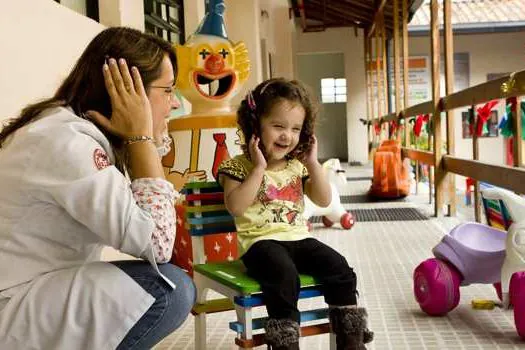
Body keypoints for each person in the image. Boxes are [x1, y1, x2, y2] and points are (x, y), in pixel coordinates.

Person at [0, 27, 195, 349]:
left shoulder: (64, 128)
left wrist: (144, 140)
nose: (174, 104)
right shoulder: (67, 143)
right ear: (128, 93)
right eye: (168, 90)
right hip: (13, 302)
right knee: (168, 289)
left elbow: (148, 218)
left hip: (28, 289)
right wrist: (141, 138)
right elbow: (155, 243)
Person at [217, 78, 374, 350]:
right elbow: (236, 207)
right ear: (255, 126)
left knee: (340, 267)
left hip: (298, 239)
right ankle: (285, 344)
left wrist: (313, 163)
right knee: (284, 275)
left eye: (295, 129)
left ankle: (351, 340)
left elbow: (324, 199)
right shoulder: (237, 167)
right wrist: (258, 169)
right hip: (260, 244)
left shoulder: (297, 167)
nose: (287, 135)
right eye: (278, 126)